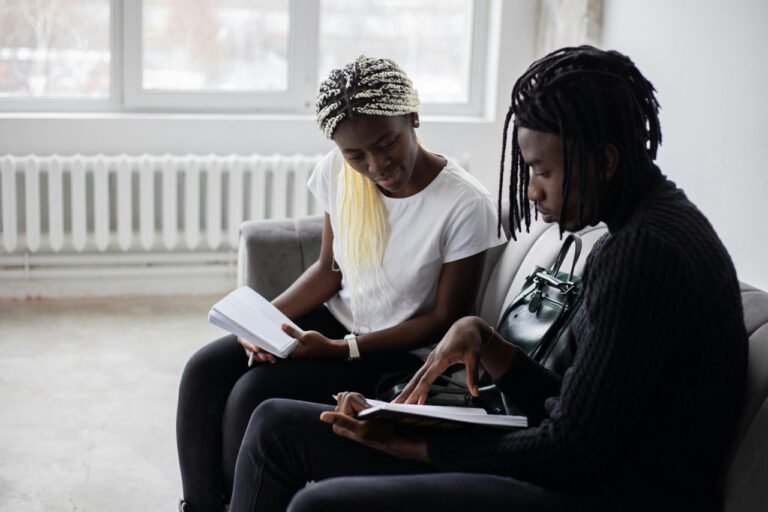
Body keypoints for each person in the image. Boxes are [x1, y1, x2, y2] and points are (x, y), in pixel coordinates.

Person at [227, 46, 749, 512]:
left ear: (604, 161)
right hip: (588, 467)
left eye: (541, 172)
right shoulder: (647, 227)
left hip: (611, 495)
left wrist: (408, 443)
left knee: (323, 502)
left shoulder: (643, 255)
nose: (531, 192)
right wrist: (488, 341)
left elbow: (571, 451)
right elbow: (575, 408)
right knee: (275, 424)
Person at [176, 55, 505, 512]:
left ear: (413, 116)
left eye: (387, 142)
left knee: (252, 393)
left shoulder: (465, 203)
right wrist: (264, 322)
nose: (376, 165)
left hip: (394, 352)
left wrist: (341, 350)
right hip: (335, 322)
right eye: (356, 155)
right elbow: (329, 271)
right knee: (204, 371)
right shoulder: (336, 172)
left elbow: (444, 321)